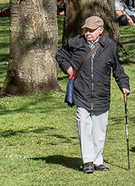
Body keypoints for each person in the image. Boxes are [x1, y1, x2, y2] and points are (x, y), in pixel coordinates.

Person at [55, 15, 130, 174]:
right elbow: (60, 55)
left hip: (101, 93)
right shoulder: (76, 43)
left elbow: (117, 69)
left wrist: (124, 85)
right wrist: (68, 68)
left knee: (99, 130)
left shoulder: (109, 46)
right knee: (83, 125)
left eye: (91, 31)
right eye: (86, 30)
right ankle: (87, 161)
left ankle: (98, 161)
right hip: (81, 92)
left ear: (100, 30)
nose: (87, 33)